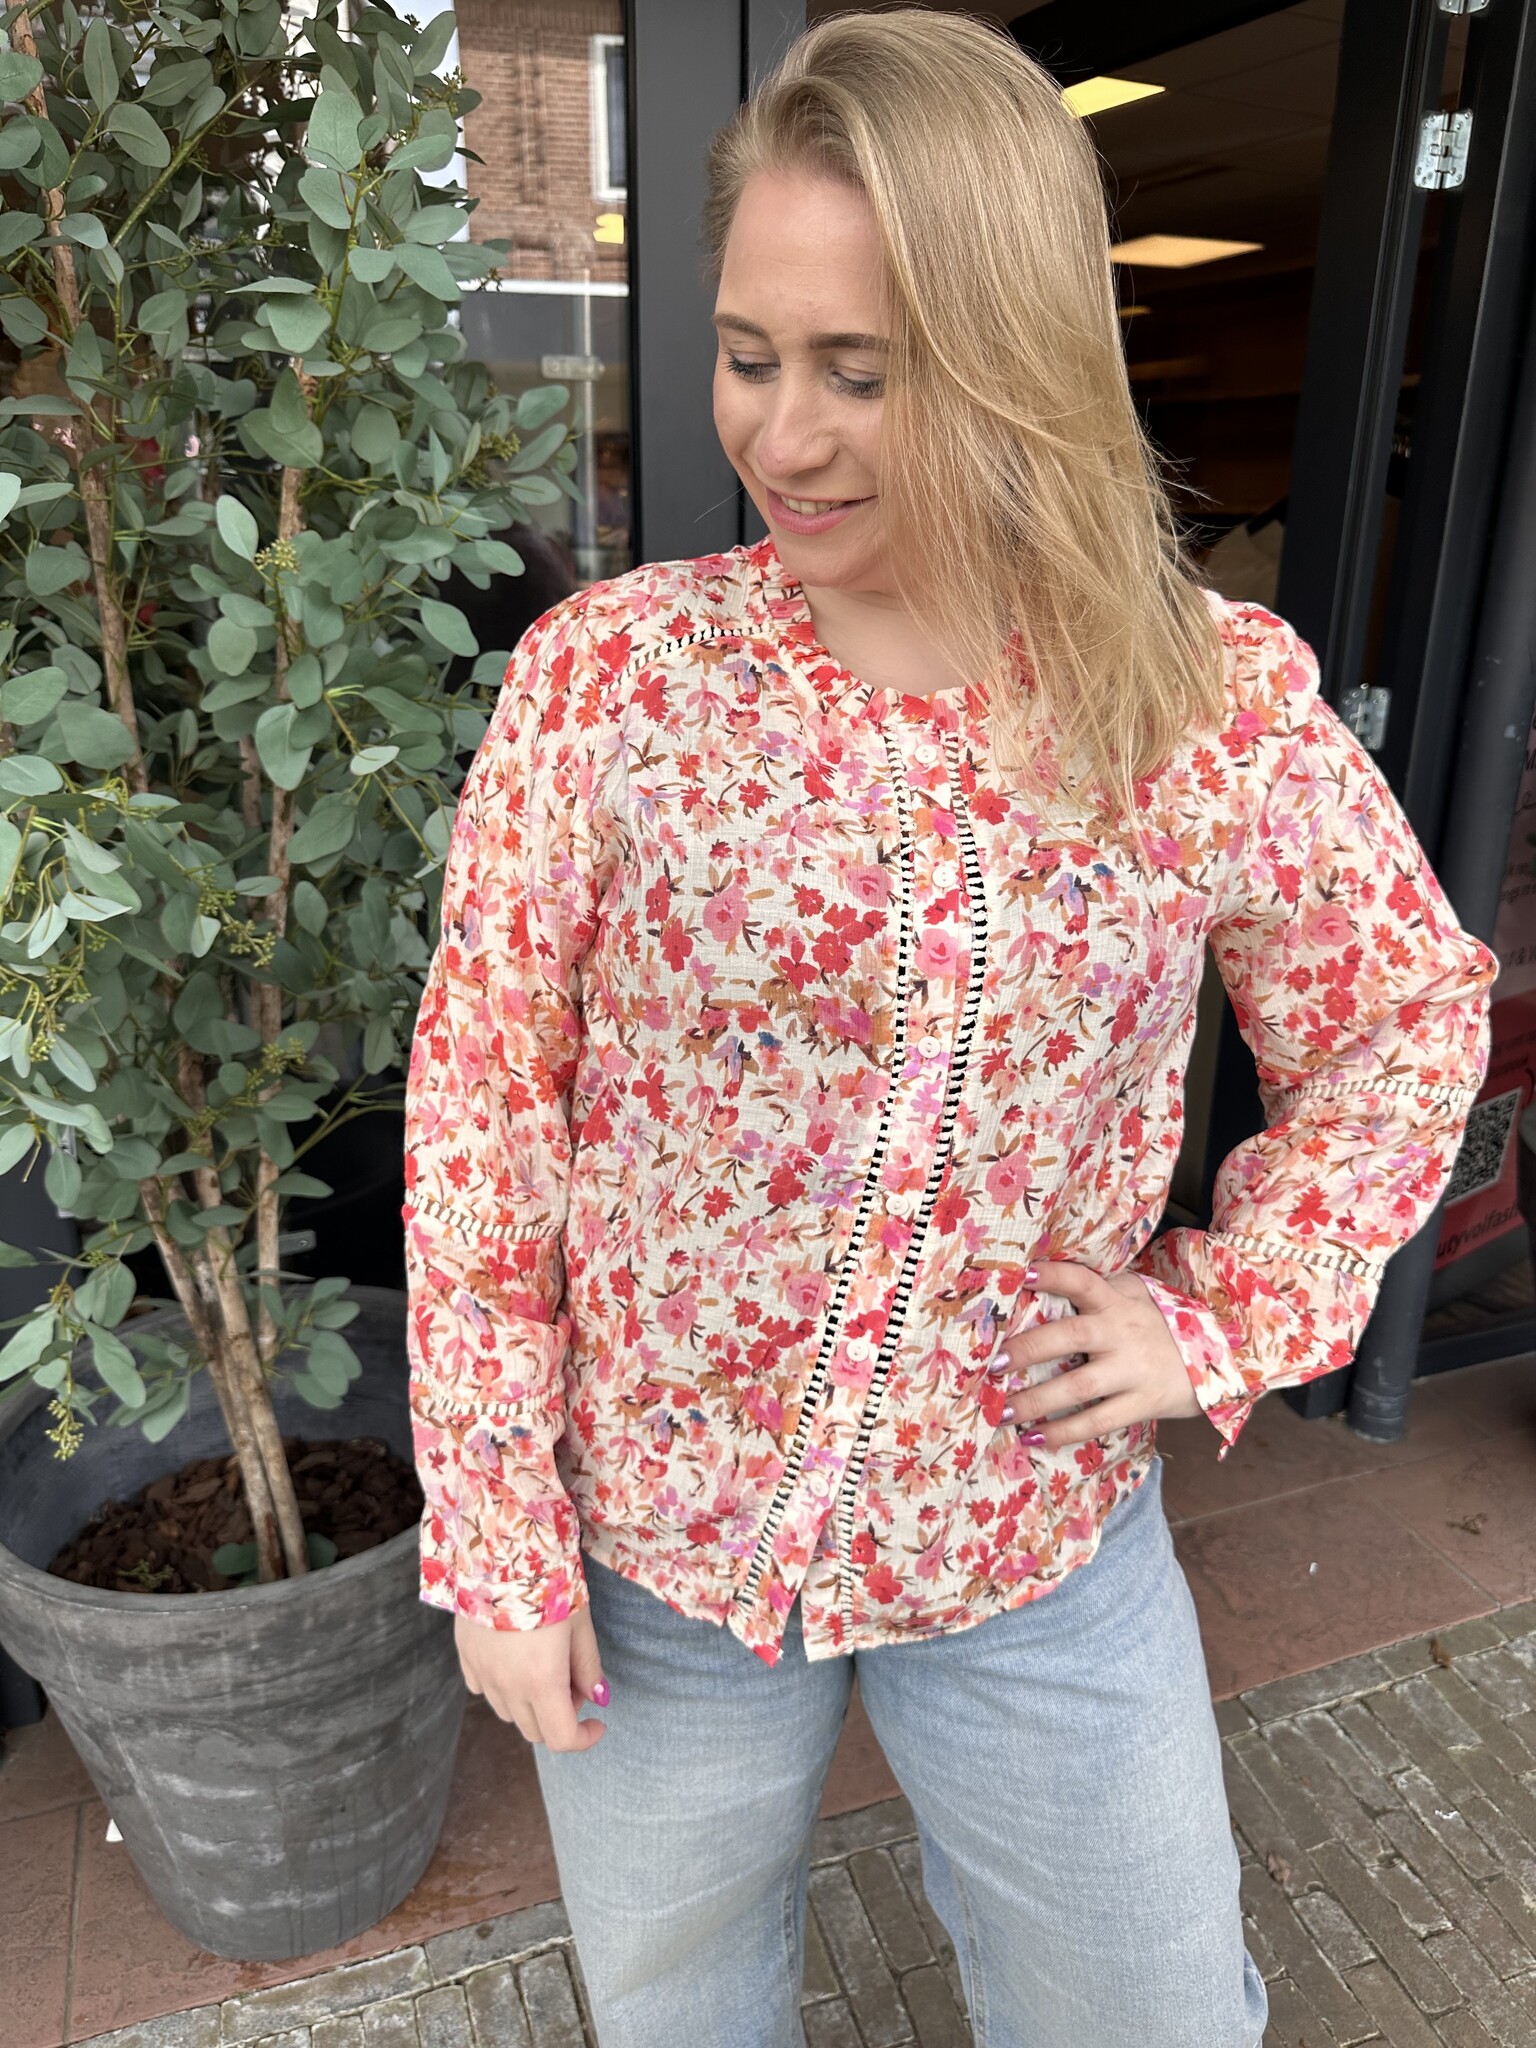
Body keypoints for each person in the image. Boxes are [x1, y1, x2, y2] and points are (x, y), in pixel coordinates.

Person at [402, 15, 1495, 2046]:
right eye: (750, 353)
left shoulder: (1198, 698)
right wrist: (497, 1535)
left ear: (1013, 360)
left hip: (1031, 1529)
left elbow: (1404, 1014)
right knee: (677, 2018)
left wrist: (1223, 1316)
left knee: (1155, 2013)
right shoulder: (613, 687)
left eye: (862, 369)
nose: (784, 434)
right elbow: (486, 1115)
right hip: (662, 1550)